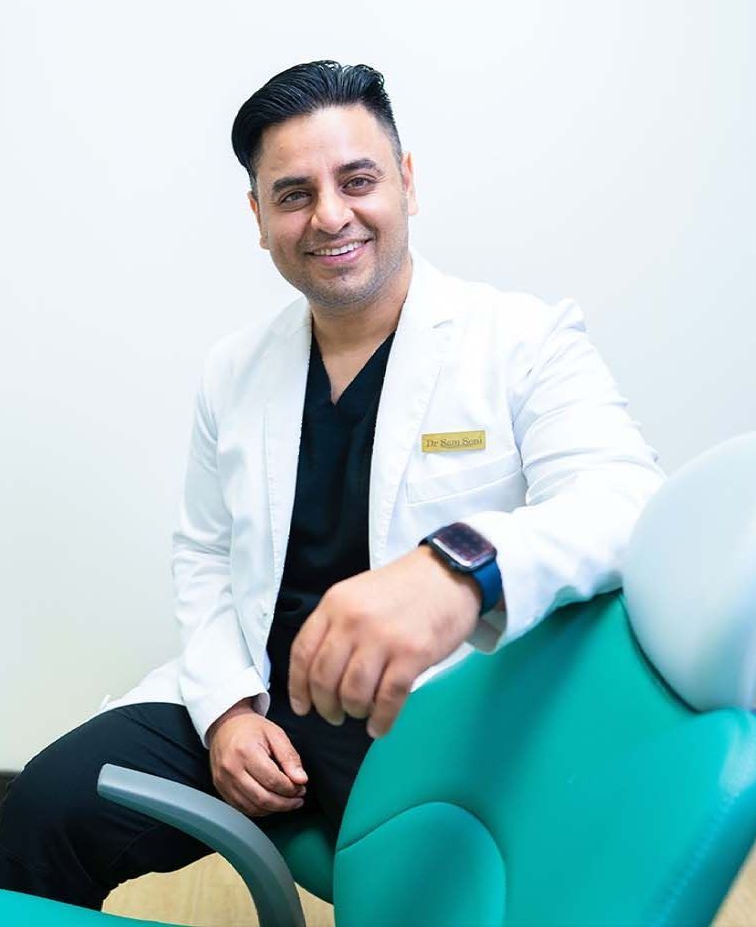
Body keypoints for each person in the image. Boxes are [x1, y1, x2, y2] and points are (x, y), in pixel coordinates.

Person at [0, 60, 666, 910]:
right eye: (292, 194)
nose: (330, 216)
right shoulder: (233, 370)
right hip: (258, 695)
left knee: (425, 897)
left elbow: (628, 498)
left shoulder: (521, 342)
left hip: (422, 720)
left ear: (407, 181)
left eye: (357, 180)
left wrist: (456, 568)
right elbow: (202, 554)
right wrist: (230, 710)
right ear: (258, 217)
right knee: (46, 812)